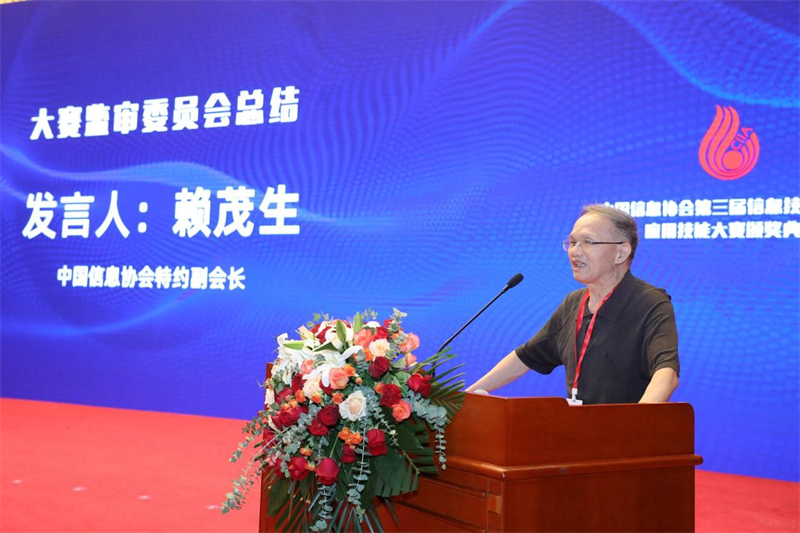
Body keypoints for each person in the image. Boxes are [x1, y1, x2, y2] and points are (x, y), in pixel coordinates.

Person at [466, 204, 679, 404]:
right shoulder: (573, 303)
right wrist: (465, 398)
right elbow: (526, 357)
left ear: (621, 253)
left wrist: (637, 422)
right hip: (576, 427)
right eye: (572, 242)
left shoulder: (649, 302)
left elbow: (666, 373)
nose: (575, 251)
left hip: (626, 429)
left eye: (588, 242)